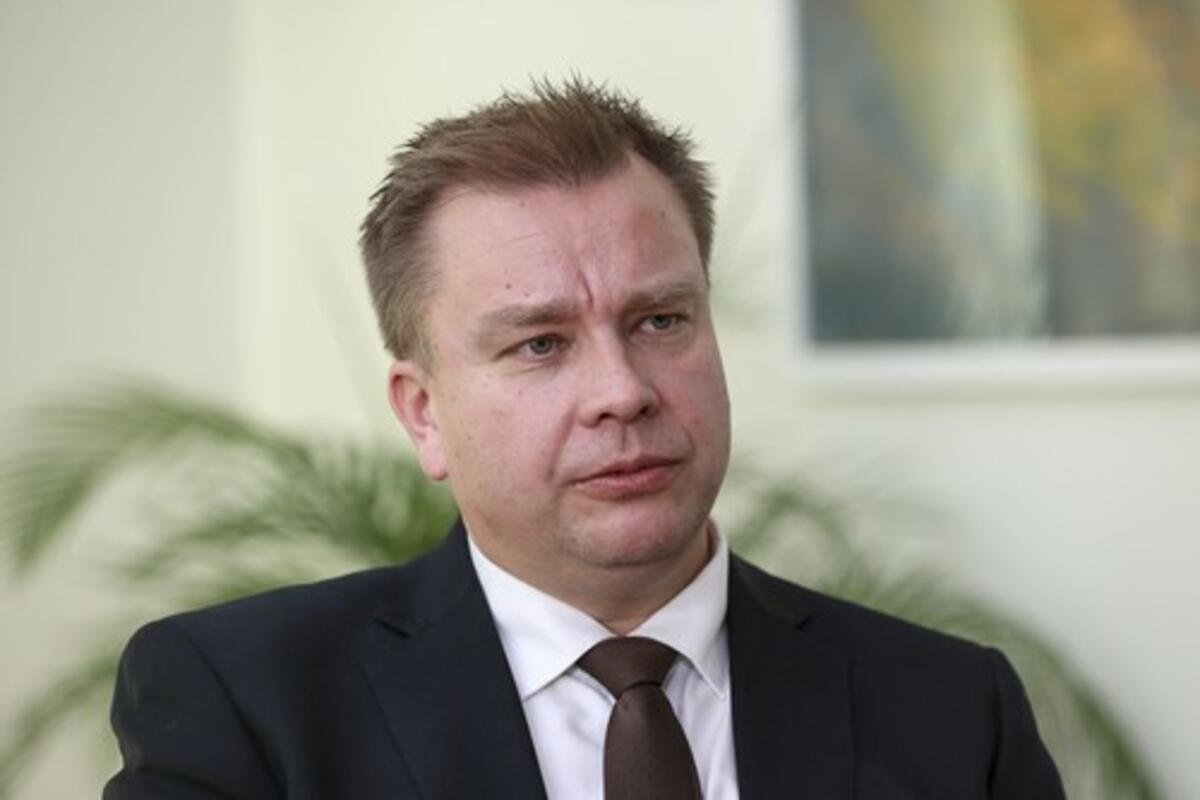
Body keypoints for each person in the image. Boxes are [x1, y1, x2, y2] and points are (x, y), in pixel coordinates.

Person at [104, 79, 1064, 799]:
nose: (622, 392)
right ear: (424, 413)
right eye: (540, 343)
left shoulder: (952, 708)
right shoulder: (247, 703)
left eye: (660, 321)